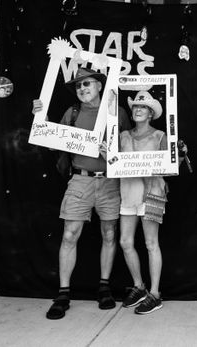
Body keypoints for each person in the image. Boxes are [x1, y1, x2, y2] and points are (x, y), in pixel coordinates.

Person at [32, 67, 129, 320]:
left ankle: (104, 287)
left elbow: (129, 149)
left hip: (110, 182)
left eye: (87, 84)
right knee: (69, 235)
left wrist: (114, 153)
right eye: (78, 86)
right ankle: (63, 294)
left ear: (99, 86)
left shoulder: (116, 113)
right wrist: (39, 118)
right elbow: (52, 139)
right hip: (79, 181)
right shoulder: (72, 113)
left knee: (109, 234)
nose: (82, 89)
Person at [118, 90, 186, 315]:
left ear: (150, 113)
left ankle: (155, 294)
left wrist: (180, 153)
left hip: (153, 193)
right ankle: (139, 286)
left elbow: (172, 167)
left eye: (143, 107)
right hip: (127, 191)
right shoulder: (122, 136)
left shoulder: (160, 136)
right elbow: (114, 162)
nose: (138, 110)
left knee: (150, 243)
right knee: (126, 242)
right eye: (136, 106)